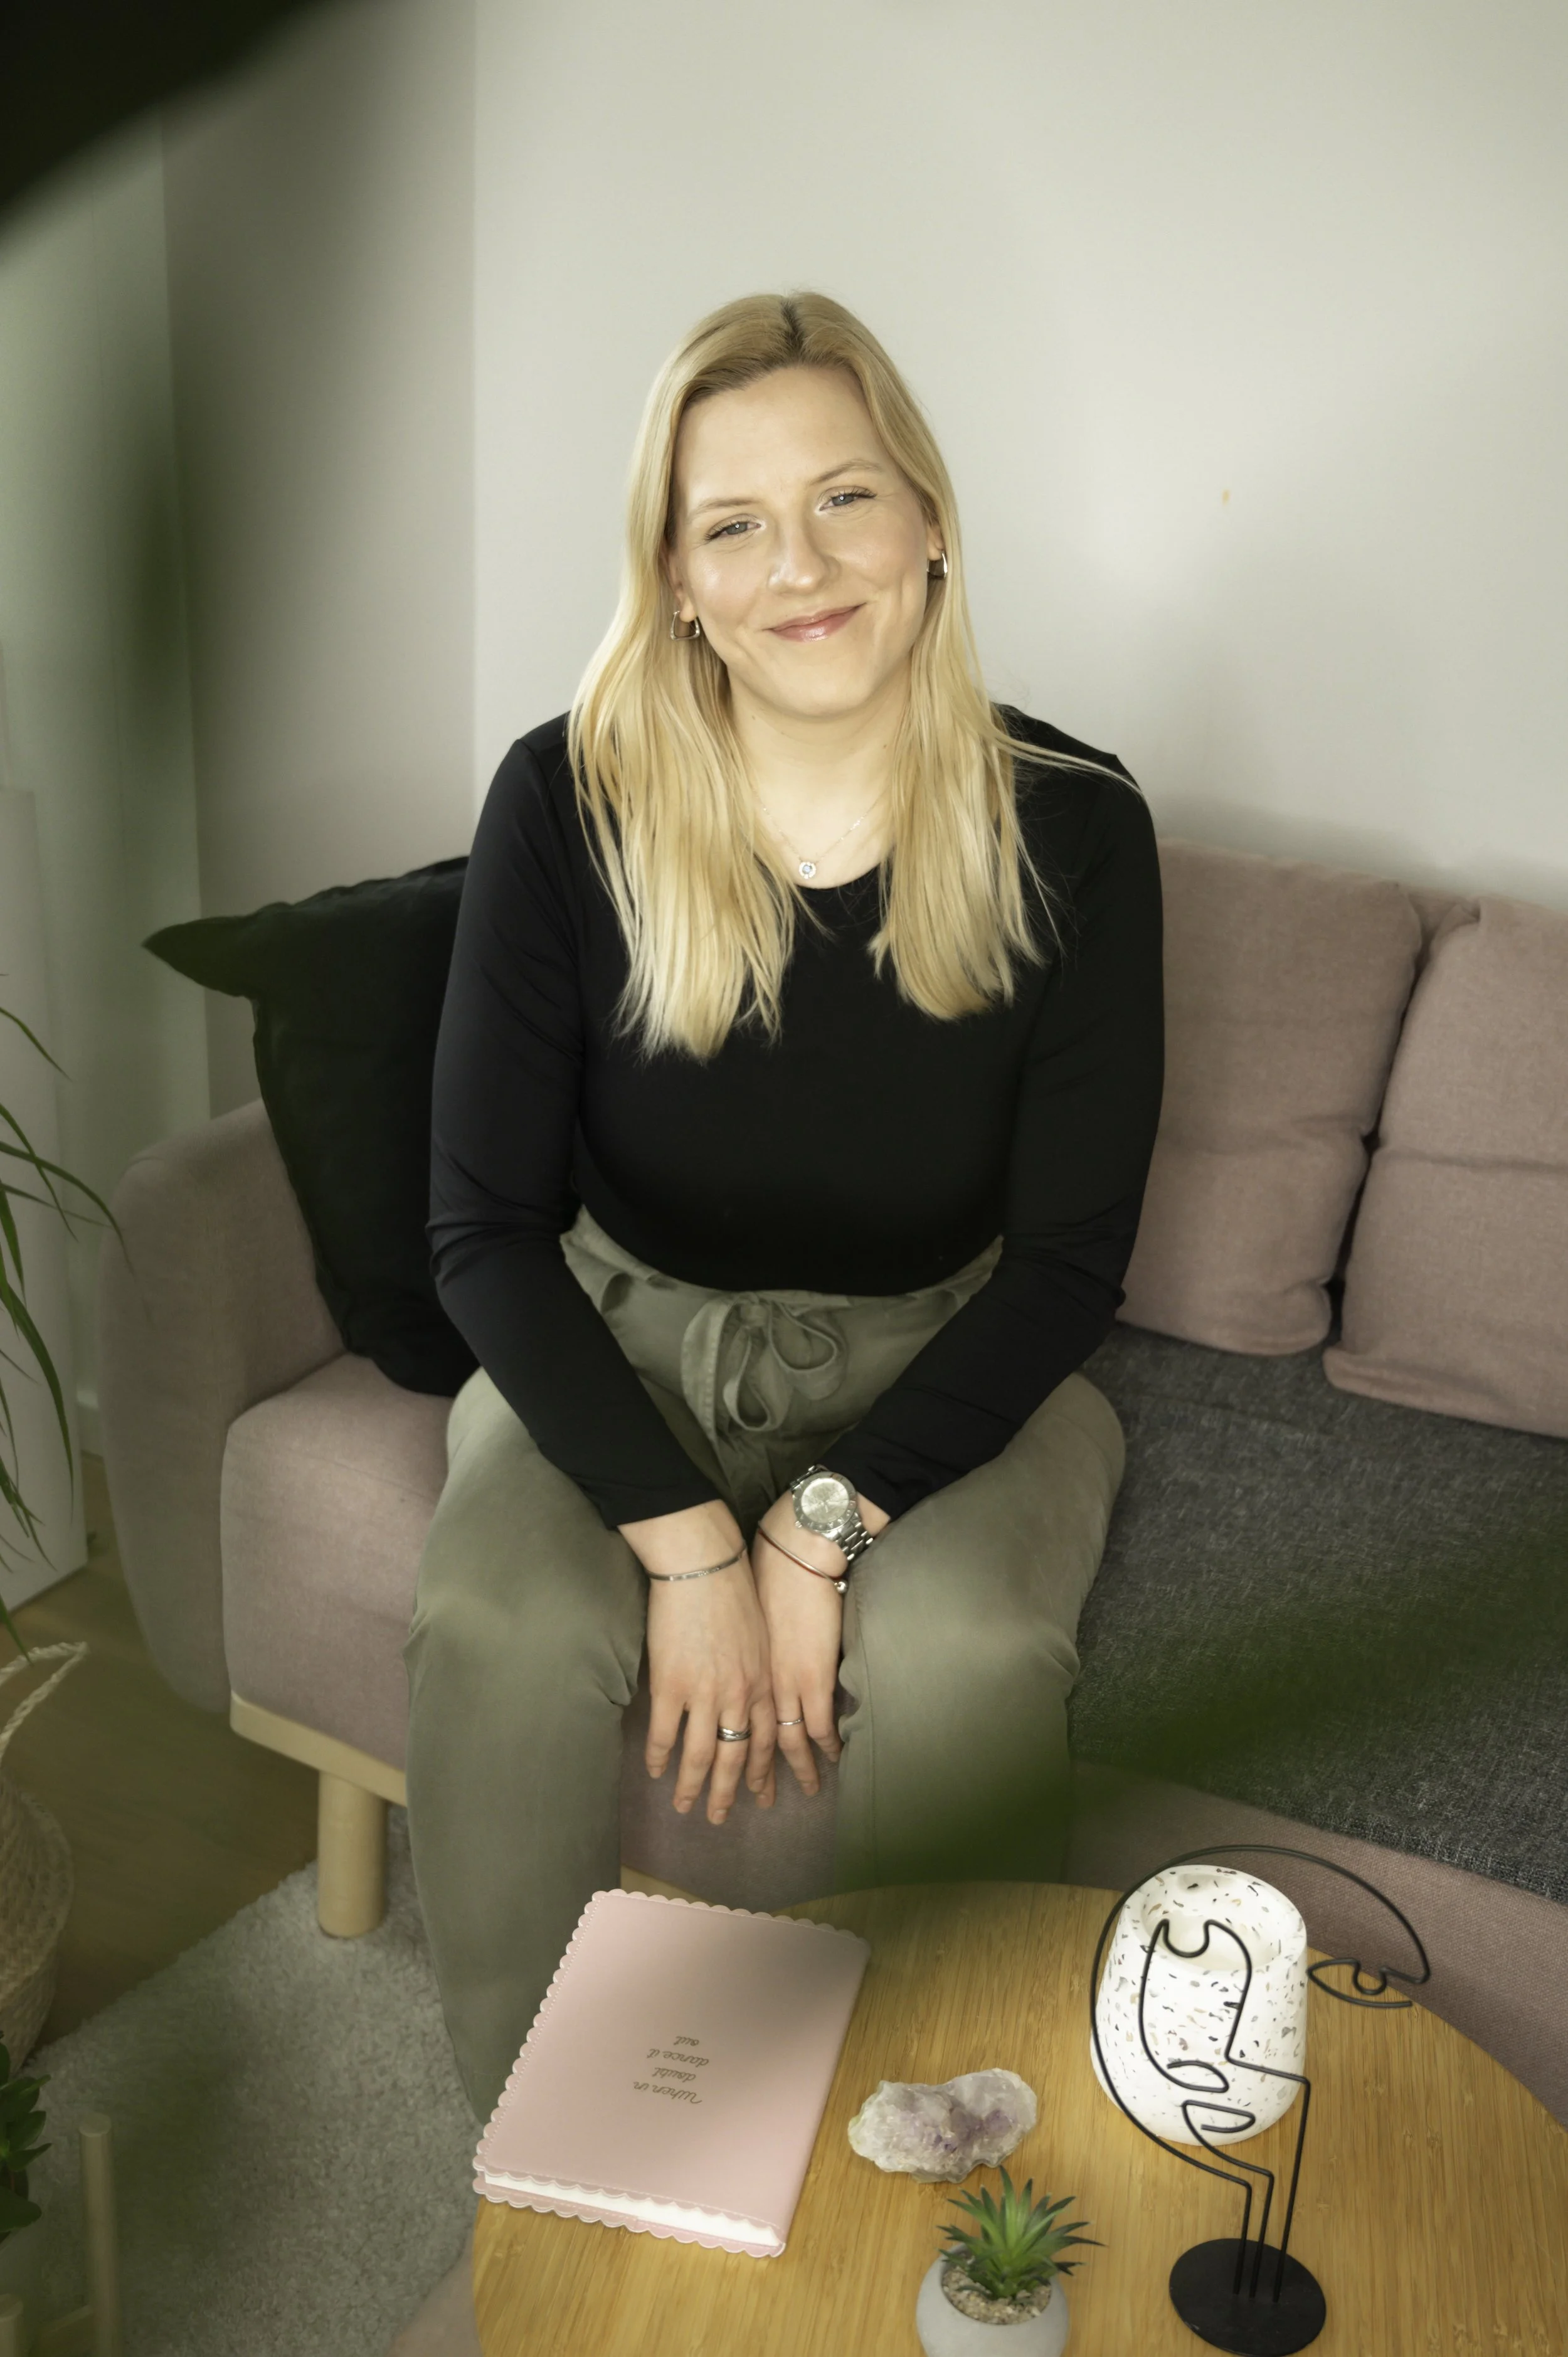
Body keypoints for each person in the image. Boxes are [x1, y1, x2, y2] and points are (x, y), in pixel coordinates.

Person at [405, 291, 1164, 2120]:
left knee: (971, 1648)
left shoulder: (1072, 822)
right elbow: (481, 1231)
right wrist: (684, 1543)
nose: (797, 567)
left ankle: (949, 2137)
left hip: (958, 1350)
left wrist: (815, 1536)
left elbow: (1067, 1260)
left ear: (928, 523)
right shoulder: (562, 798)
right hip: (618, 1333)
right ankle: (543, 2160)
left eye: (843, 499)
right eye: (729, 523)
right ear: (671, 576)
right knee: (499, 1624)